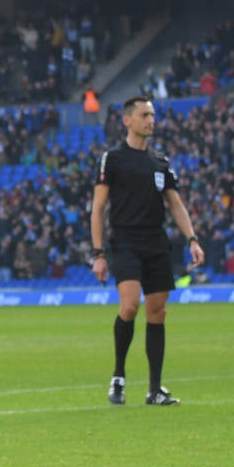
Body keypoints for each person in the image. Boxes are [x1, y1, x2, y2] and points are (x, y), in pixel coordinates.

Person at [90, 96, 204, 407]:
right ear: (127, 120)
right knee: (129, 306)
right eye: (144, 115)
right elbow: (98, 209)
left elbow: (176, 204)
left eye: (152, 115)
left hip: (156, 243)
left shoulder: (160, 162)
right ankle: (118, 376)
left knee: (158, 312)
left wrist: (192, 238)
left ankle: (154, 389)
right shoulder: (111, 160)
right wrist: (98, 253)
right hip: (125, 242)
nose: (150, 120)